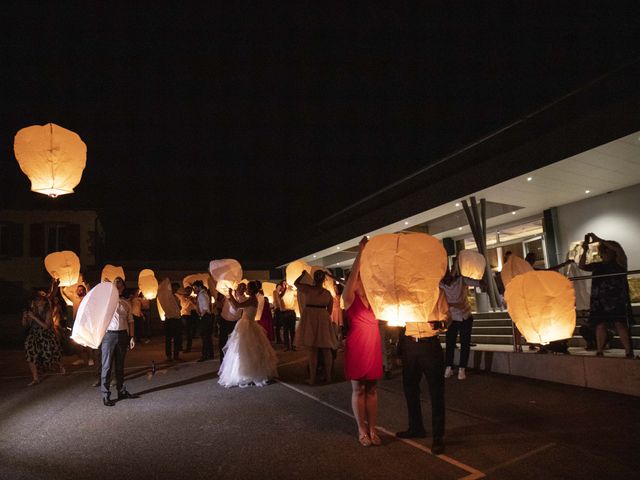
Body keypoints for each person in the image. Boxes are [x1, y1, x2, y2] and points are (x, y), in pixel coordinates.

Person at [396, 289, 448, 455]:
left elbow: (447, 316)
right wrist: (400, 348)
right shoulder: (405, 292)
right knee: (410, 388)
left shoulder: (437, 292)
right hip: (410, 344)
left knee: (436, 392)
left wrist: (440, 324)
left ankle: (438, 436)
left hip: (430, 344)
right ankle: (416, 427)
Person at [342, 236, 383, 446]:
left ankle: (373, 429)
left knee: (372, 389)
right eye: (359, 276)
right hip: (357, 343)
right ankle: (361, 430)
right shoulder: (349, 297)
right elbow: (353, 278)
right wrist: (361, 252)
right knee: (358, 388)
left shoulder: (375, 297)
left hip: (373, 341)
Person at [579, 232, 634, 358]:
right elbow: (581, 265)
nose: (604, 253)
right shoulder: (598, 265)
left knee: (620, 323)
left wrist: (599, 240)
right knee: (600, 323)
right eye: (603, 251)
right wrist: (585, 249)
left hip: (616, 299)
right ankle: (599, 350)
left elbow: (618, 249)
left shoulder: (620, 262)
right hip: (600, 299)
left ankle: (628, 351)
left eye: (607, 251)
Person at [218, 281, 278, 387]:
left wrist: (231, 294)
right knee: (247, 349)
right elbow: (237, 307)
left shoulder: (251, 299)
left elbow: (237, 305)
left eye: (248, 288)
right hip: (248, 323)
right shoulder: (252, 299)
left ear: (251, 290)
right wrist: (231, 297)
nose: (246, 290)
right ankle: (249, 372)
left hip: (247, 324)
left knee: (244, 349)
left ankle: (247, 373)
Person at [441, 259, 482, 380]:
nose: (447, 280)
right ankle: (449, 367)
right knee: (450, 343)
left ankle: (462, 369)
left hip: (465, 316)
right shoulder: (441, 285)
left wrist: (483, 282)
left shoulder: (461, 280)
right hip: (451, 318)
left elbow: (477, 282)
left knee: (465, 343)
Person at [294, 270, 336, 384]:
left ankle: (313, 378)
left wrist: (302, 274)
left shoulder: (308, 289)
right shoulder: (327, 293)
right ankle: (328, 377)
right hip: (323, 318)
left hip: (310, 318)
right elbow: (330, 310)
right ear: (323, 279)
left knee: (312, 350)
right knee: (326, 348)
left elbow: (296, 283)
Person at [100, 277, 136, 406]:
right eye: (116, 282)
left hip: (122, 335)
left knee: (120, 366)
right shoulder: (106, 301)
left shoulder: (126, 303)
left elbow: (131, 321)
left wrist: (131, 337)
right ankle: (105, 394)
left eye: (120, 282)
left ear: (123, 287)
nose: (118, 283)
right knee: (107, 366)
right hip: (109, 335)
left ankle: (121, 390)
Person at [23, 290, 65, 385]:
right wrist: (25, 317)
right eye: (36, 300)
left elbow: (46, 326)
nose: (37, 302)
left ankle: (61, 365)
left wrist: (34, 317)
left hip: (46, 334)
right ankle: (35, 378)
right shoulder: (33, 310)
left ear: (44, 302)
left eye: (39, 300)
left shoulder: (48, 310)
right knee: (30, 353)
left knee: (52, 352)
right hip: (33, 334)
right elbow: (26, 325)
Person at [218, 282, 246, 361]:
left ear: (244, 290)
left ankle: (231, 360)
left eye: (242, 288)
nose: (239, 289)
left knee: (233, 342)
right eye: (239, 287)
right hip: (224, 319)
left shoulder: (243, 299)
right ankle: (222, 361)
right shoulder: (231, 294)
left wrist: (230, 296)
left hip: (234, 322)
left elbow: (235, 308)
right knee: (222, 342)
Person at [192, 280, 214, 362]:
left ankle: (205, 355)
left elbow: (204, 308)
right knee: (207, 337)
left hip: (205, 317)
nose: (194, 290)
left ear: (199, 287)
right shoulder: (203, 294)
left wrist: (201, 316)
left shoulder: (202, 295)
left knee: (205, 337)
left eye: (195, 288)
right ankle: (210, 354)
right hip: (206, 316)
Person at [164, 283, 183, 362]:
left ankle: (176, 355)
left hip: (177, 319)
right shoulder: (167, 297)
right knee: (168, 338)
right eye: (174, 288)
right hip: (169, 319)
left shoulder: (176, 297)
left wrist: (179, 308)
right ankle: (169, 356)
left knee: (177, 338)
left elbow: (179, 307)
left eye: (177, 289)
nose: (175, 290)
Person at [277, 280, 298, 351]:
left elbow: (298, 293)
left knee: (292, 330)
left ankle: (293, 345)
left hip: (291, 312)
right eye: (283, 283)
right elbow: (280, 296)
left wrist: (294, 288)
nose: (285, 284)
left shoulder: (292, 291)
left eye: (286, 283)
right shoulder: (280, 292)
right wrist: (285, 289)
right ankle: (287, 346)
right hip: (284, 313)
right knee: (285, 330)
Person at [176, 286, 197, 353]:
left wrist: (191, 301)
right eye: (187, 290)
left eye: (190, 291)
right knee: (181, 332)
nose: (188, 292)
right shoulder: (182, 296)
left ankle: (188, 348)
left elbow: (196, 307)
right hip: (182, 315)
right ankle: (180, 347)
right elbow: (175, 293)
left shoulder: (192, 298)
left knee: (188, 333)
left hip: (188, 316)